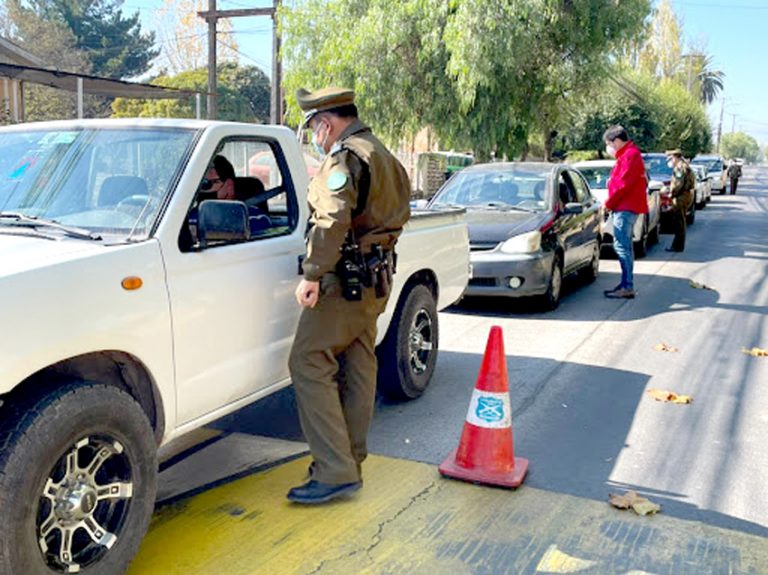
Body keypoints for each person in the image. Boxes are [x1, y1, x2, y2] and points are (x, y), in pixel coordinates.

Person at [287, 87, 411, 504]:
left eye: (314, 130)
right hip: (375, 278)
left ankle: (334, 469)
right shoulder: (382, 154)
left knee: (307, 360)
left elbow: (332, 217)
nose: (315, 139)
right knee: (359, 361)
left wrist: (312, 273)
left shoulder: (344, 157)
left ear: (325, 122)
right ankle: (350, 459)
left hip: (344, 278)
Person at [602, 125, 648, 299]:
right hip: (624, 206)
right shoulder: (627, 155)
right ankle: (625, 283)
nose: (609, 147)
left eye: (609, 143)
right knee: (624, 246)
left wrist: (609, 203)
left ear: (617, 141)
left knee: (622, 247)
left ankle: (627, 286)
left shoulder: (630, 155)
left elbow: (622, 185)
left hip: (625, 207)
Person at [665, 149, 695, 253]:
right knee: (680, 221)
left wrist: (671, 194)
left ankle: (678, 246)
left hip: (680, 197)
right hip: (685, 195)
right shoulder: (684, 165)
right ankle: (677, 245)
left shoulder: (679, 168)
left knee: (679, 222)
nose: (670, 161)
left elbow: (678, 184)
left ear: (675, 157)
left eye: (671, 158)